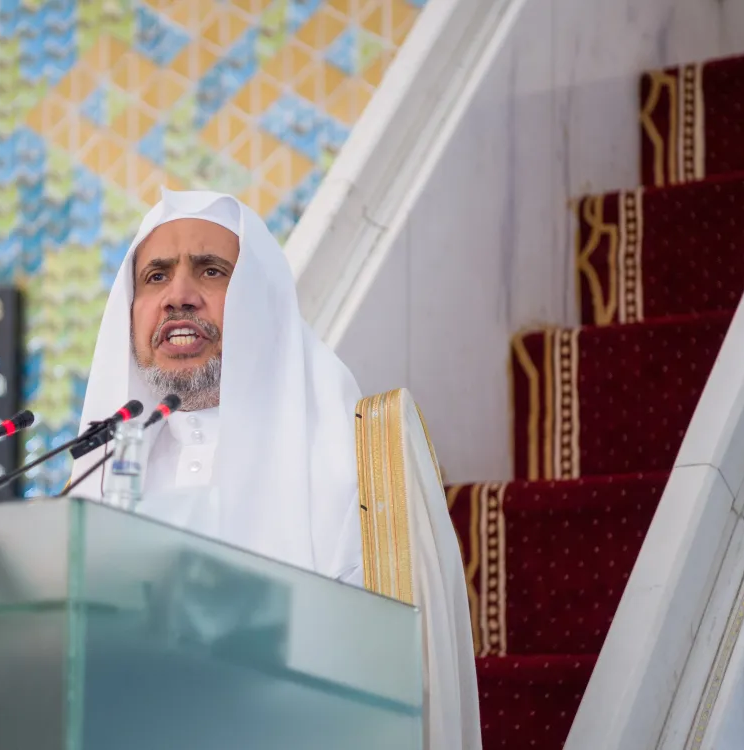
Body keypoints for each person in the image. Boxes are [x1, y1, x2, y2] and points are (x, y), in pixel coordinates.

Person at [69, 189, 481, 750]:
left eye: (211, 271)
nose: (178, 297)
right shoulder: (101, 478)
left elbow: (385, 681)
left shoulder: (349, 456)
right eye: (156, 276)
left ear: (259, 298)